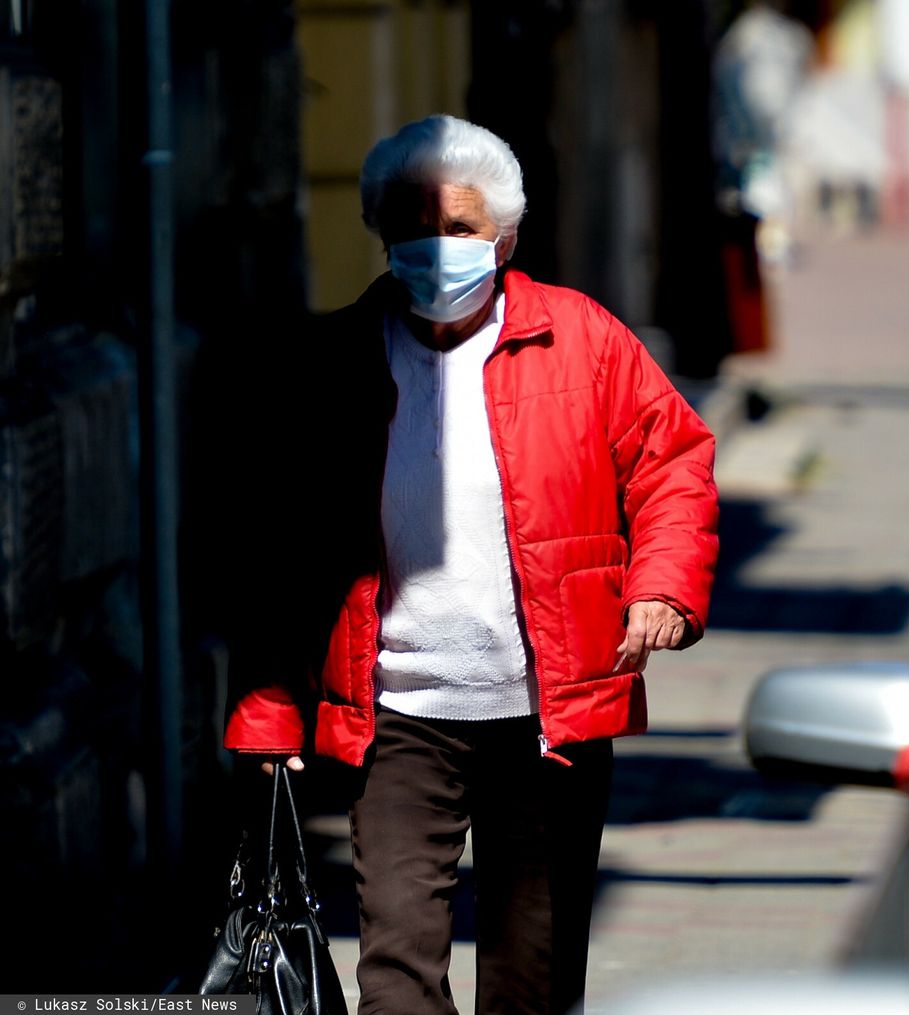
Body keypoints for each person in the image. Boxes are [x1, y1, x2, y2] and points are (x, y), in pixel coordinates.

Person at [222, 115, 719, 1015]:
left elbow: (673, 460)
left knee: (532, 978)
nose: (435, 248)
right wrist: (268, 713)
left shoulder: (584, 339)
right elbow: (281, 548)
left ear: (505, 236)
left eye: (458, 229)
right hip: (399, 717)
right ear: (380, 232)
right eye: (413, 228)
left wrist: (661, 588)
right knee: (397, 975)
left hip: (549, 713)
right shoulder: (335, 361)